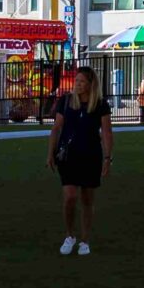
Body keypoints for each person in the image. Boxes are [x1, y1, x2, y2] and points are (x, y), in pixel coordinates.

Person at [49, 64, 115, 256]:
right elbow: (56, 128)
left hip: (90, 155)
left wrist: (107, 158)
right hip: (68, 155)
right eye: (76, 80)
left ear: (90, 84)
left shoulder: (100, 104)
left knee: (87, 199)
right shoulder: (66, 101)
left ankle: (85, 239)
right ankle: (70, 235)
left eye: (81, 81)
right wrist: (50, 153)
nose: (77, 84)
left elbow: (107, 132)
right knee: (70, 197)